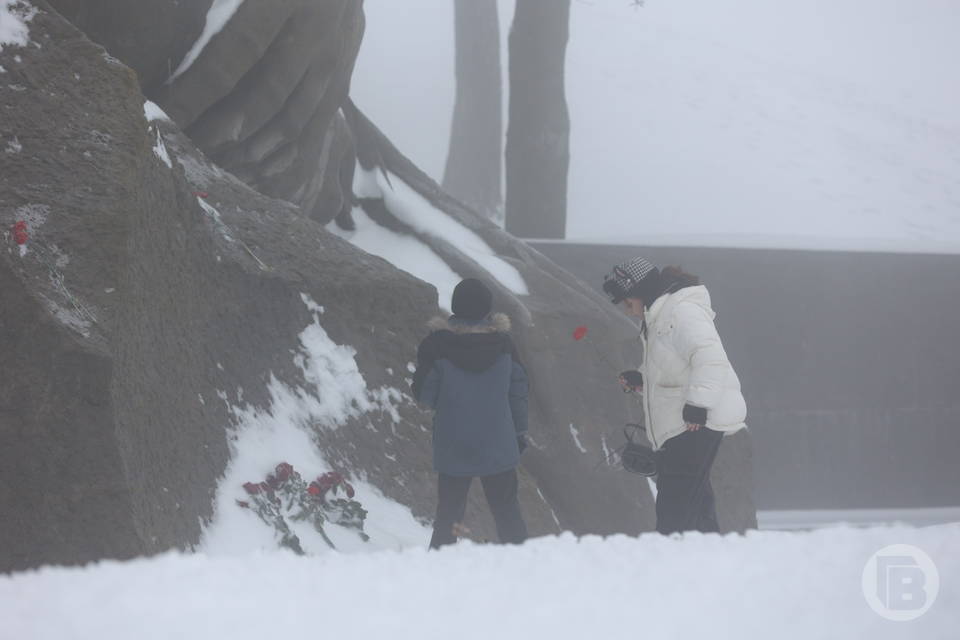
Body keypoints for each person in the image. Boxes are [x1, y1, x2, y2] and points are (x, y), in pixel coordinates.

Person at [603, 257, 747, 534]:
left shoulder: (680, 312)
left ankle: (673, 563)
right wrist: (642, 379)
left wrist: (698, 405)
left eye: (626, 300)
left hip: (697, 420)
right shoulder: (659, 315)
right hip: (686, 420)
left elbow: (710, 357)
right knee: (693, 499)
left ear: (640, 290)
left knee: (675, 503)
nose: (626, 308)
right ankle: (711, 559)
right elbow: (673, 369)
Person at [412, 278, 529, 549]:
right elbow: (519, 393)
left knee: (449, 515)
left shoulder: (437, 345)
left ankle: (440, 569)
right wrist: (520, 433)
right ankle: (526, 569)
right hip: (498, 441)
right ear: (488, 309)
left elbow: (425, 395)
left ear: (455, 307)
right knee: (507, 512)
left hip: (454, 442)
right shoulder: (504, 345)